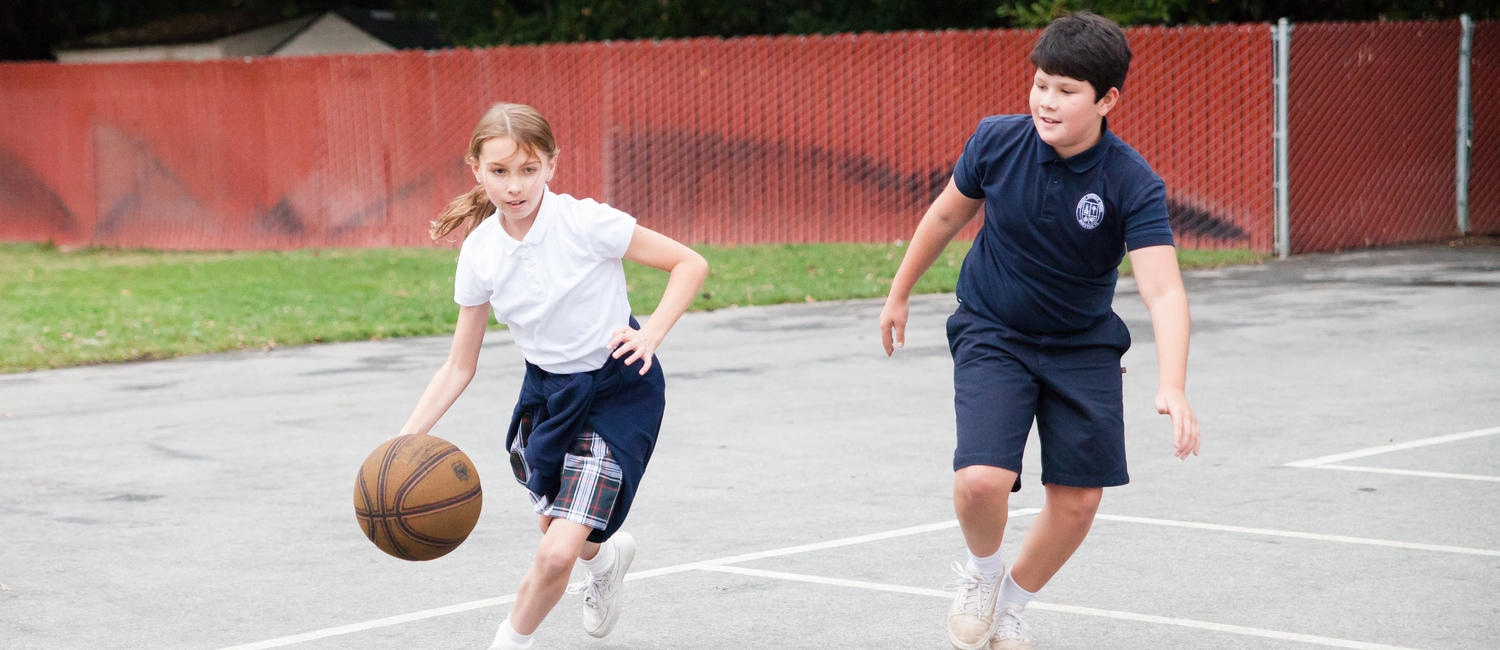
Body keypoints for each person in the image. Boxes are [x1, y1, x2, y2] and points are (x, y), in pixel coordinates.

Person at [877, 12, 1201, 650]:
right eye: (1041, 84)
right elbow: (945, 216)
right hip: (992, 329)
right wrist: (899, 291)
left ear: (1107, 100)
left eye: (1066, 90)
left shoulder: (1130, 182)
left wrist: (1174, 384)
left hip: (1083, 346)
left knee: (1078, 501)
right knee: (980, 481)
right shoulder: (997, 142)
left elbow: (1163, 289)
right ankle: (983, 573)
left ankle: (1013, 604)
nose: (1047, 101)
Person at [395, 103, 708, 650]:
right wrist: (404, 440)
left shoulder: (586, 222)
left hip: (618, 389)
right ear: (476, 169)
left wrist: (651, 333)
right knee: (559, 532)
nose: (514, 186)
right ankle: (608, 559)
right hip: (549, 396)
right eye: (499, 172)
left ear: (552, 166)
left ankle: (508, 643)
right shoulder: (480, 253)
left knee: (557, 549)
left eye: (528, 170)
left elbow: (690, 264)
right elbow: (459, 365)